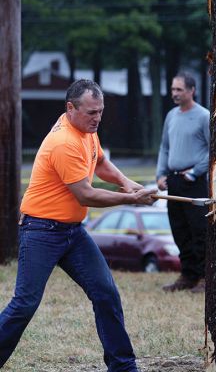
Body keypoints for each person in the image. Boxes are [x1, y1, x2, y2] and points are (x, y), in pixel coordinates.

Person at [0, 79, 157, 371]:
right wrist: (131, 199)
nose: (97, 118)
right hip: (41, 231)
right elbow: (86, 193)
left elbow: (100, 162)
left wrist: (126, 183)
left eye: (100, 111)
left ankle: (123, 367)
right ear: (70, 108)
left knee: (106, 293)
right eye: (91, 112)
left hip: (72, 231)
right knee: (24, 304)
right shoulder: (64, 142)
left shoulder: (86, 131)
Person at [156, 71, 210, 293]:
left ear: (191, 91)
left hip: (194, 183)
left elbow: (214, 149)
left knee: (199, 230)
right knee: (179, 230)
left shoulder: (204, 116)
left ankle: (206, 278)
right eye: (172, 89)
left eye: (179, 89)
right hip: (174, 181)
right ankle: (188, 276)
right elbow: (164, 147)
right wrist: (160, 174)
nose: (174, 93)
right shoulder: (171, 116)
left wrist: (196, 172)